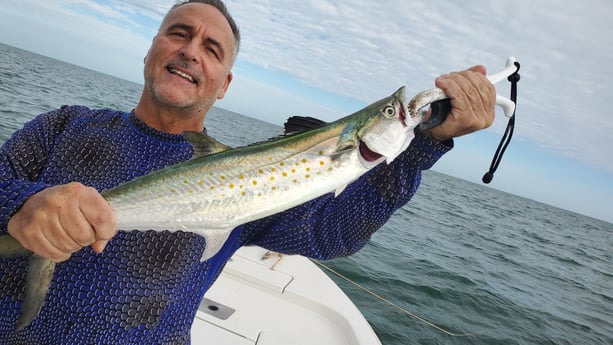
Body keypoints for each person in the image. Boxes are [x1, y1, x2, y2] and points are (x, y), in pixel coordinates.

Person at [0, 0, 496, 343]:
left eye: (212, 49)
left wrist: (426, 143)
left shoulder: (251, 189)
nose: (192, 51)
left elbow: (334, 233)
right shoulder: (64, 124)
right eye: (179, 34)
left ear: (225, 85)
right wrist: (21, 207)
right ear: (150, 50)